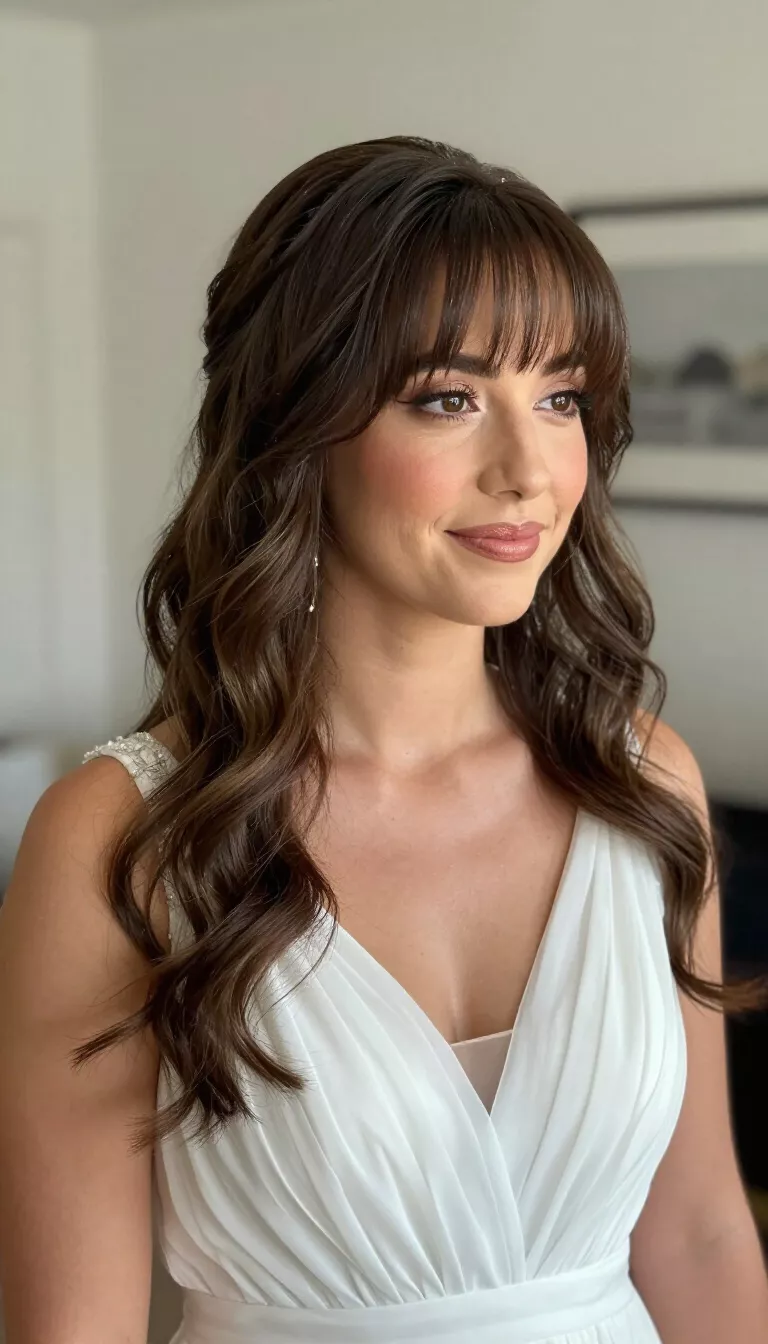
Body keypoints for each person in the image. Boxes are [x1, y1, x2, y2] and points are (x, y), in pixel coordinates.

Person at [0, 136, 766, 1344]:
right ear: (298, 425)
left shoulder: (640, 781)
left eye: (559, 396)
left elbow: (700, 1233)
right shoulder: (124, 839)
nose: (529, 471)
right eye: (449, 399)